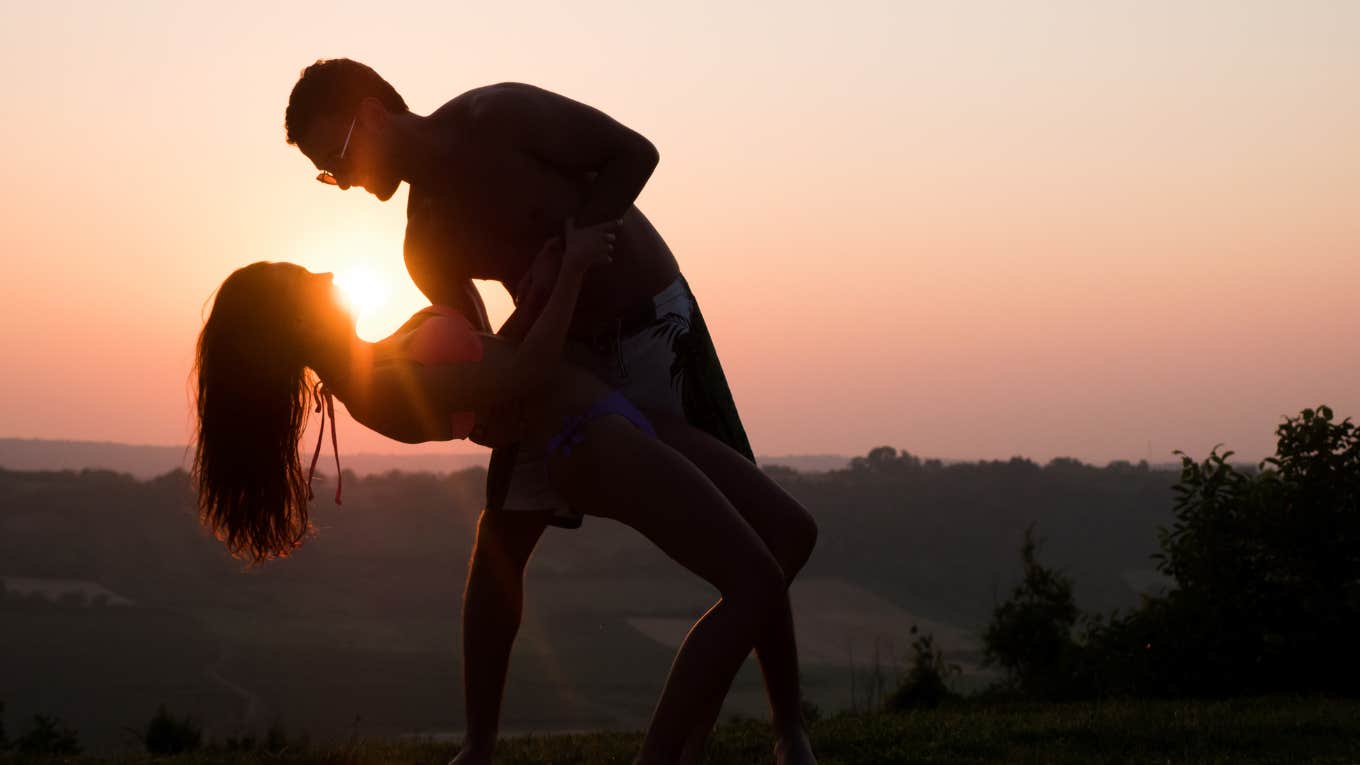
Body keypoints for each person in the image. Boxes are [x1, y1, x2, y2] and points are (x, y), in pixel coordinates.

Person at [283, 59, 816, 764]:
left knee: (756, 533)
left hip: (656, 328)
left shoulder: (497, 118)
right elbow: (480, 361)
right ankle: (478, 745)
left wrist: (570, 250)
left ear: (375, 111)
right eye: (330, 174)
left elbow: (635, 154)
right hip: (565, 365)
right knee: (501, 534)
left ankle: (788, 731)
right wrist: (540, 310)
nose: (346, 182)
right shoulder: (423, 241)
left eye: (341, 156)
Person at [192, 220, 813, 764]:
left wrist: (541, 284)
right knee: (754, 581)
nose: (328, 273)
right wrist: (571, 269)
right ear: (298, 319)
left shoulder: (380, 354)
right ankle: (662, 755)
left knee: (791, 533)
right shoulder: (374, 390)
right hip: (588, 441)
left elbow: (500, 354)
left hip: (614, 415)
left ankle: (695, 738)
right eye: (310, 278)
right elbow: (523, 373)